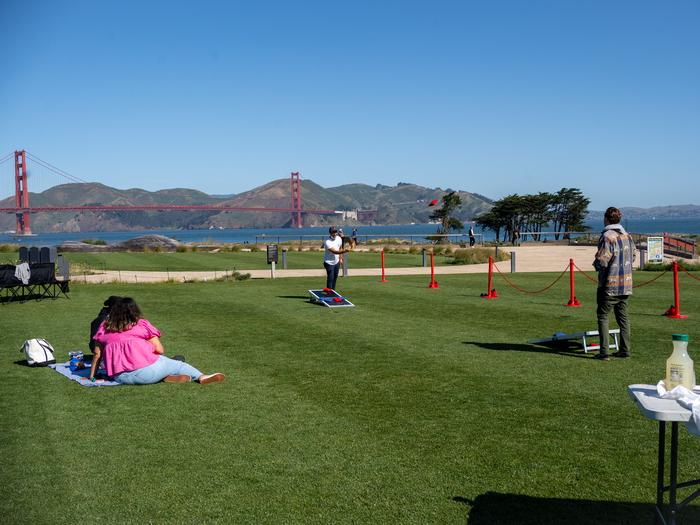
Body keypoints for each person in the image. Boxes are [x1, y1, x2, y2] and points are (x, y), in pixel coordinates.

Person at [90, 297, 225, 384]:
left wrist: (92, 377)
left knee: (158, 368)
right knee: (178, 364)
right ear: (134, 311)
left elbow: (97, 355)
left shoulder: (103, 328)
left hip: (121, 378)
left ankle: (166, 377)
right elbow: (160, 350)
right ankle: (202, 377)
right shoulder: (141, 325)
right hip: (148, 373)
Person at [593, 207, 636, 360]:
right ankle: (625, 350)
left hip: (609, 284)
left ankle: (604, 352)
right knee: (623, 318)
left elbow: (602, 260)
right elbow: (633, 256)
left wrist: (596, 264)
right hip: (626, 283)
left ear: (606, 219)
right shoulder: (627, 236)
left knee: (603, 316)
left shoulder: (607, 236)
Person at [323, 226, 348, 291]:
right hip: (328, 262)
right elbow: (335, 252)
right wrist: (344, 251)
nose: (334, 233)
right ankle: (328, 293)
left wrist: (341, 258)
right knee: (330, 278)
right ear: (330, 233)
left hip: (336, 262)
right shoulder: (327, 241)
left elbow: (340, 248)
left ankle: (333, 292)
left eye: (335, 232)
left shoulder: (339, 238)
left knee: (335, 278)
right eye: (333, 232)